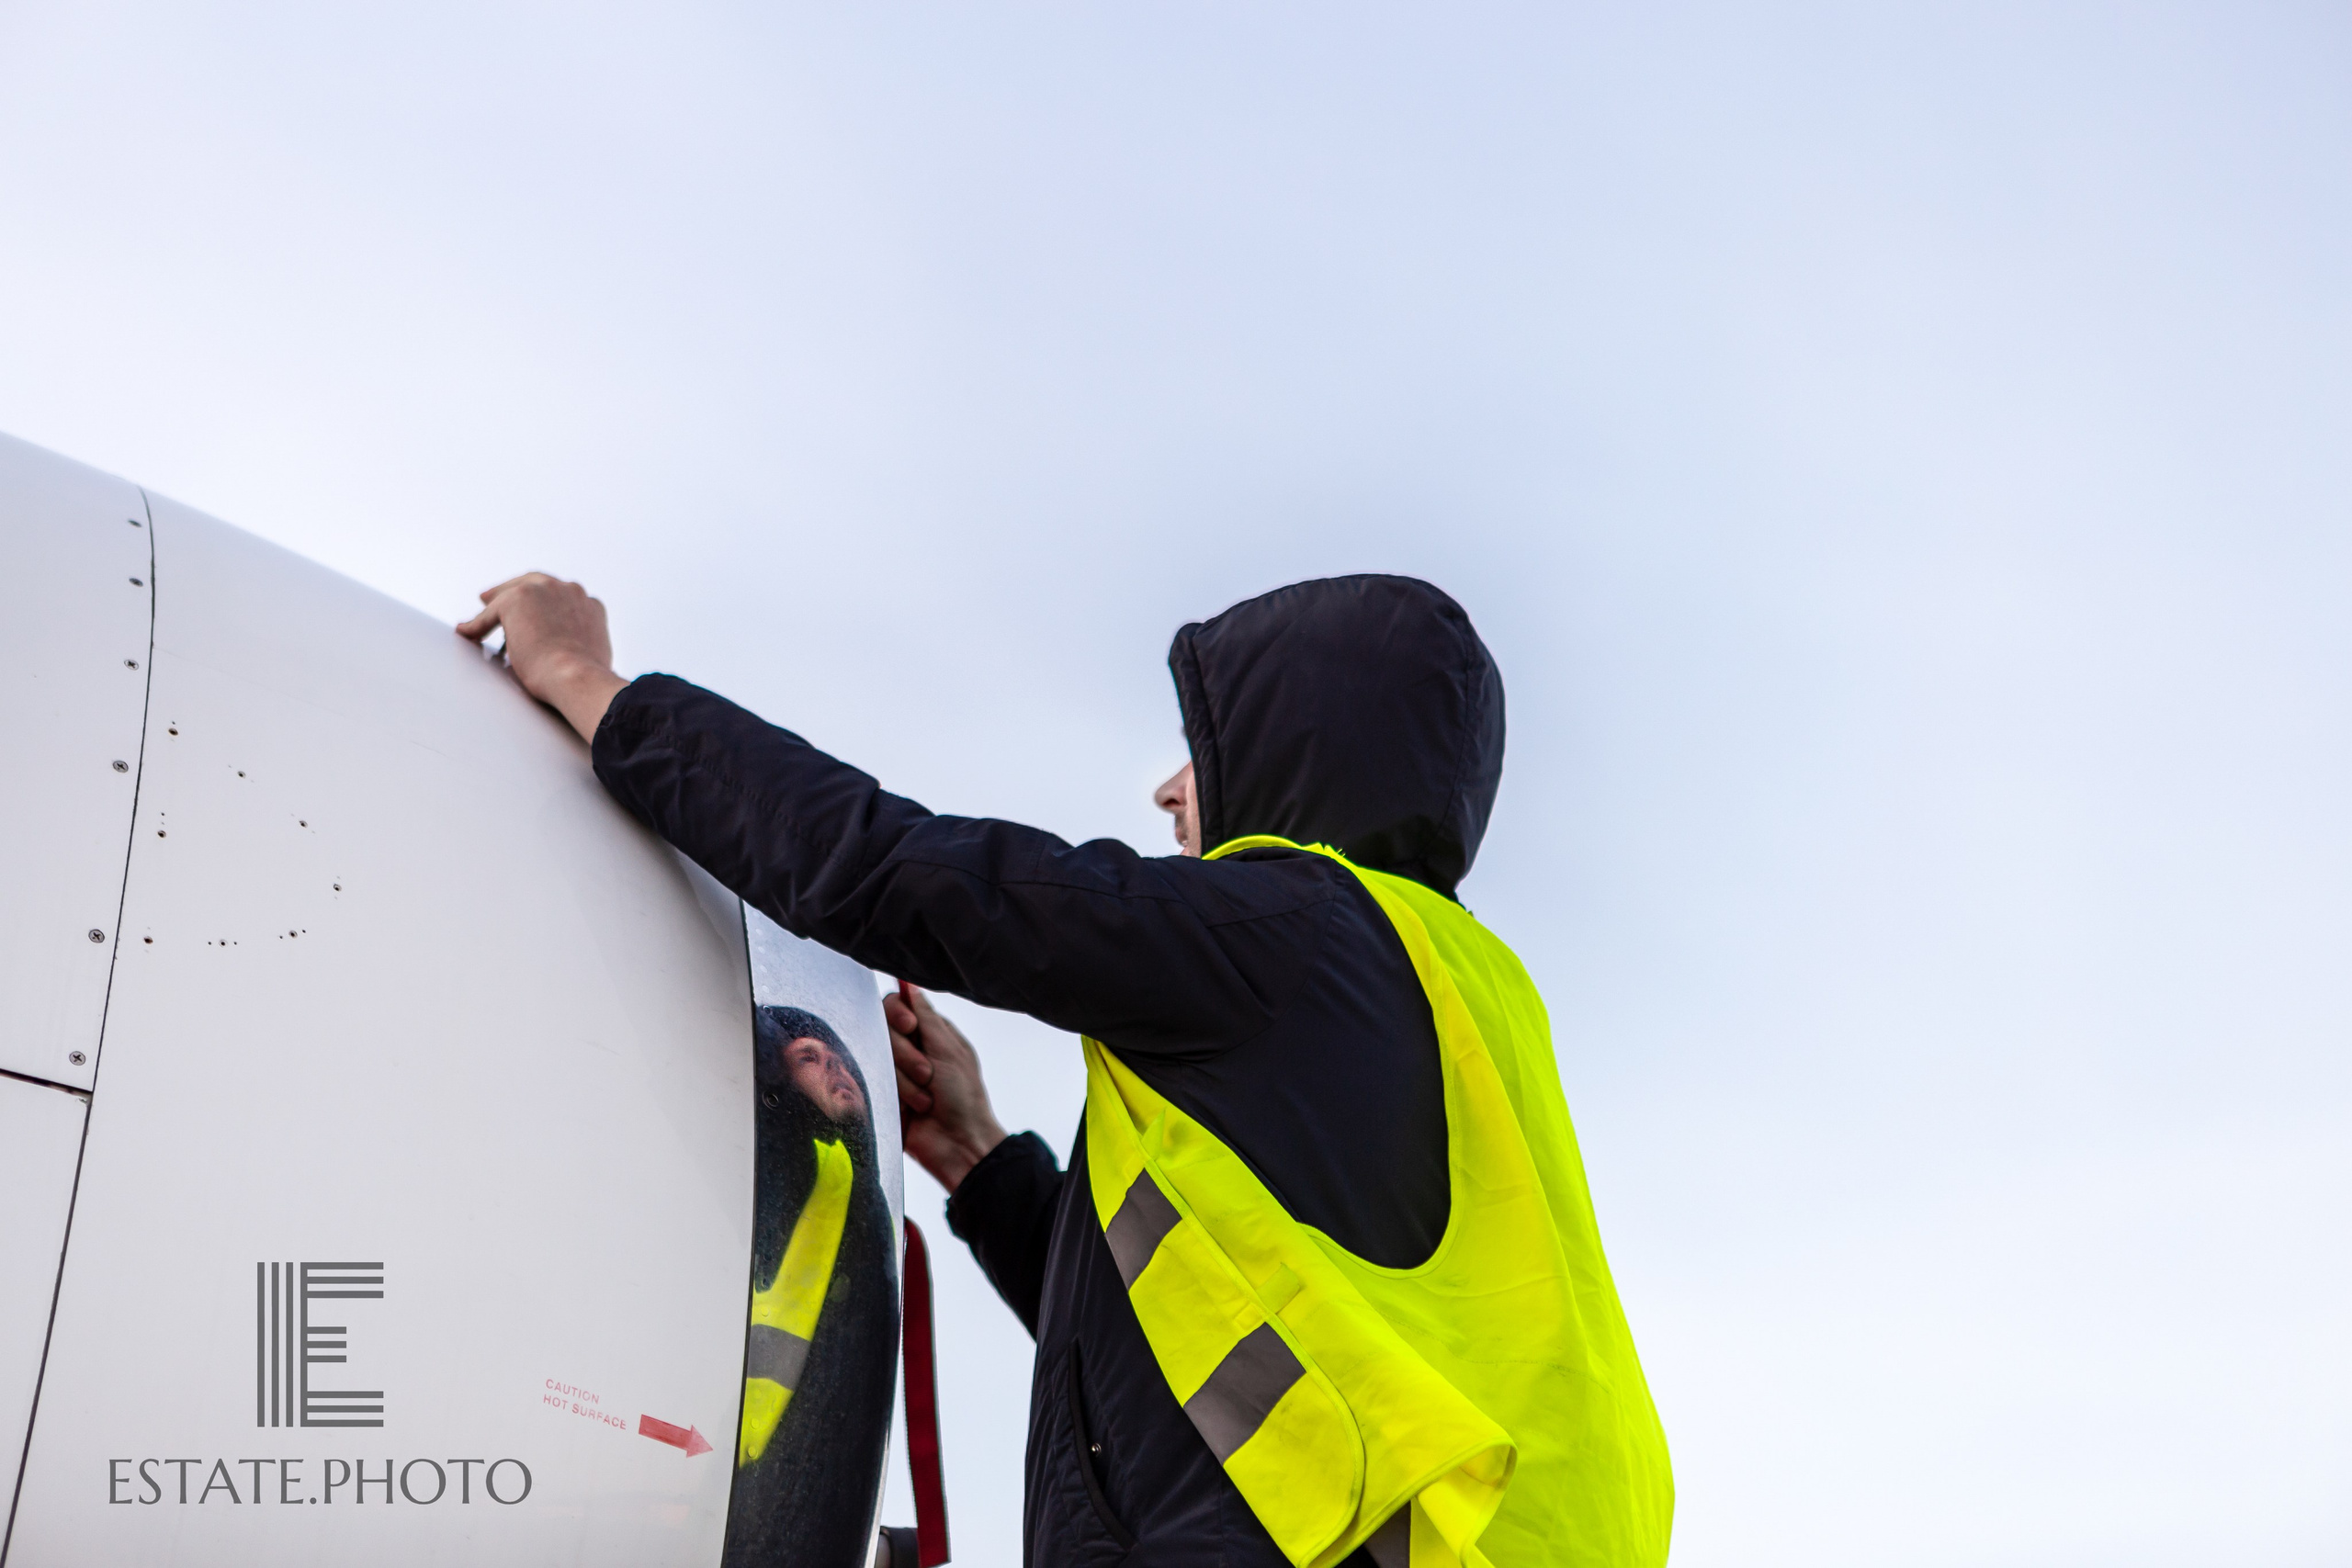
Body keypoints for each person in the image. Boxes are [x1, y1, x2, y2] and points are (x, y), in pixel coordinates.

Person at [460, 571, 1673, 1568]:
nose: (1167, 787)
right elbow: (1223, 1357)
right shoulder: (1460, 996)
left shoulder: (1282, 929)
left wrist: (596, 687)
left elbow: (901, 873)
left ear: (1298, 758)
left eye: (1200, 747)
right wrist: (984, 1162)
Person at [727, 1006, 898, 1568]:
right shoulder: (772, 1159)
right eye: (808, 1058)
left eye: (841, 1059)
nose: (838, 1068)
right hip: (728, 1483)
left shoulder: (862, 1203)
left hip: (788, 1507)